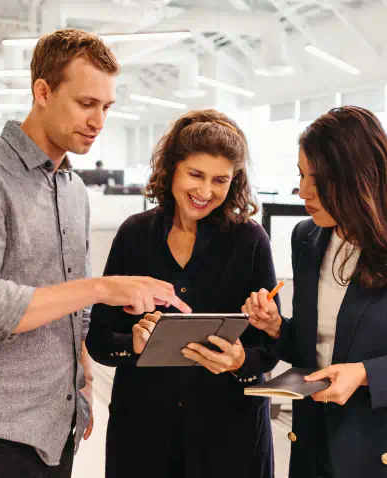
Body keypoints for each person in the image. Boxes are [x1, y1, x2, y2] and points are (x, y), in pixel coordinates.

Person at [0, 28, 190, 478]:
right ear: (42, 91)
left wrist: (80, 381)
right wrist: (100, 288)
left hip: (55, 430)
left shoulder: (73, 189)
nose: (98, 121)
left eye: (106, 107)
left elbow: (71, 317)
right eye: (86, 104)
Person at [86, 109, 280, 478]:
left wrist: (240, 361)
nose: (205, 192)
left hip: (229, 437)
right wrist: (135, 342)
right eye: (195, 174)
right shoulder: (134, 235)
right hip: (144, 435)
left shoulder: (249, 240)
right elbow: (98, 339)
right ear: (172, 167)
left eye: (220, 180)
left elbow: (271, 347)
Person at [245, 105, 387, 478]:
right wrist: (277, 327)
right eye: (301, 175)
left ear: (360, 177)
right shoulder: (307, 237)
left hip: (384, 449)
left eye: (318, 178)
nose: (303, 190)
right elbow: (315, 350)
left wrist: (366, 373)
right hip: (313, 445)